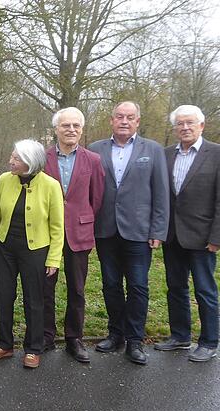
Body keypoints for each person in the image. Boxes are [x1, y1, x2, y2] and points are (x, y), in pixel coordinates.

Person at [88, 101, 169, 365]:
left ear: (138, 121)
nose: (124, 121)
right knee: (110, 285)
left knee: (138, 286)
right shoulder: (96, 150)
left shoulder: (153, 150)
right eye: (119, 116)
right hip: (106, 229)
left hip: (139, 231)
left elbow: (161, 193)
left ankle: (135, 341)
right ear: (111, 120)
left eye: (130, 117)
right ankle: (115, 333)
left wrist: (158, 229)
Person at [0, 139, 64, 369]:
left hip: (36, 250)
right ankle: (4, 345)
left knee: (34, 300)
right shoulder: (4, 180)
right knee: (4, 295)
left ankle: (33, 348)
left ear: (30, 162)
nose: (11, 162)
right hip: (6, 248)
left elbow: (57, 228)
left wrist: (53, 259)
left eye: (16, 159)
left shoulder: (50, 185)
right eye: (12, 156)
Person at [154, 105, 220, 362]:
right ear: (175, 128)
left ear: (201, 125)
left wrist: (216, 237)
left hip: (203, 238)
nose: (185, 127)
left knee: (205, 290)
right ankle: (180, 336)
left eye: (190, 123)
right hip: (172, 235)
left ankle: (209, 341)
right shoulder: (166, 153)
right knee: (176, 287)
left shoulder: (215, 153)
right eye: (180, 123)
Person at [42, 107, 105, 363]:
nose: (71, 130)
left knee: (77, 289)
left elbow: (97, 198)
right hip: (48, 235)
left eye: (76, 126)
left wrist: (84, 220)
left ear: (82, 129)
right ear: (56, 128)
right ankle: (46, 335)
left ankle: (74, 338)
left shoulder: (93, 160)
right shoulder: (42, 157)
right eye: (66, 125)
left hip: (79, 233)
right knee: (45, 287)